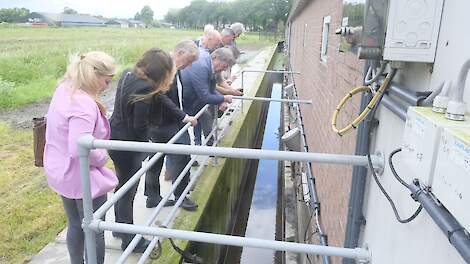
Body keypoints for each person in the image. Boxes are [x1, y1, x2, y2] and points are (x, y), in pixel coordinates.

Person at [43, 51, 118, 264]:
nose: (107, 86)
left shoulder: (65, 89)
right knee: (95, 228)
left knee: (75, 224)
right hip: (81, 176)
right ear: (95, 76)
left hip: (61, 170)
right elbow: (80, 148)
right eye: (106, 80)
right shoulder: (83, 104)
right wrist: (102, 157)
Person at [108, 48, 176, 252]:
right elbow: (140, 125)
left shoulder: (128, 73)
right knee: (129, 190)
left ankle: (120, 228)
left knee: (122, 186)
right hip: (129, 144)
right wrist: (146, 147)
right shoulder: (146, 87)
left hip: (115, 136)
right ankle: (129, 239)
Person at [146, 40, 199, 211]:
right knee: (180, 155)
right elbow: (162, 97)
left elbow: (178, 93)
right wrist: (183, 116)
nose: (189, 65)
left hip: (167, 120)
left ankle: (152, 196)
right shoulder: (164, 68)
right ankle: (180, 196)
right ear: (180, 53)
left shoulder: (175, 68)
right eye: (189, 60)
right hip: (162, 122)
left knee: (157, 159)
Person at [181, 47, 235, 146]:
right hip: (183, 104)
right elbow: (205, 96)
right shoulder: (202, 67)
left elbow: (211, 89)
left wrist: (221, 100)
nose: (225, 69)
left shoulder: (210, 67)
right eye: (224, 66)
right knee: (182, 139)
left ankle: (211, 148)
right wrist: (223, 98)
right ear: (217, 59)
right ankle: (199, 148)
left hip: (195, 103)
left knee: (206, 119)